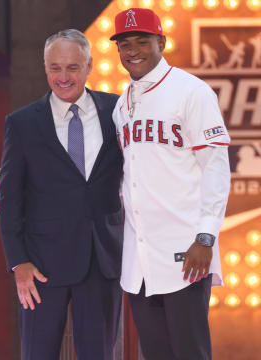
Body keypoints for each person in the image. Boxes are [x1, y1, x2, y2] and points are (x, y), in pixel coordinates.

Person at [111, 8, 231, 360]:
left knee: (190, 353)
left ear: (161, 42)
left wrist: (205, 237)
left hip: (186, 254)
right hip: (140, 259)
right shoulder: (122, 105)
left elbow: (215, 169)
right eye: (124, 43)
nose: (132, 50)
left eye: (142, 41)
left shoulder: (191, 92)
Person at [0, 29, 123, 360]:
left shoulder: (118, 112)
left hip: (102, 261)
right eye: (55, 68)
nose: (63, 77)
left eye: (72, 67)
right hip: (40, 266)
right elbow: (10, 199)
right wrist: (18, 262)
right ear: (44, 67)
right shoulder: (22, 123)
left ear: (89, 66)